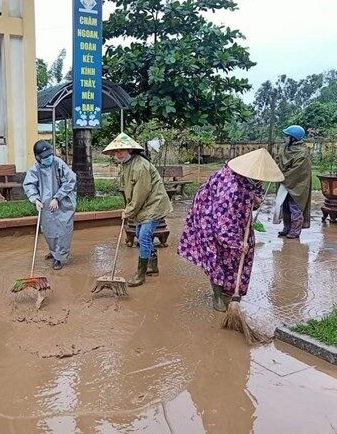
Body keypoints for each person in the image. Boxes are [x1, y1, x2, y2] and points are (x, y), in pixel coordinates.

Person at [178, 149, 284, 312]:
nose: (260, 179)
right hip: (209, 219)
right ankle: (217, 294)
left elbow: (255, 200)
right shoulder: (229, 185)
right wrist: (236, 243)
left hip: (237, 220)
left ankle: (231, 288)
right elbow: (222, 223)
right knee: (218, 255)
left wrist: (255, 201)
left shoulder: (253, 179)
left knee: (243, 252)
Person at [102, 133, 173, 287]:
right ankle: (152, 266)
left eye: (122, 150)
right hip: (145, 206)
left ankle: (140, 275)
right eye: (116, 151)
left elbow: (140, 193)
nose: (118, 153)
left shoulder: (140, 166)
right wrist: (129, 209)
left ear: (130, 150)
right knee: (143, 236)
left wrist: (128, 212)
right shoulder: (127, 164)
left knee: (144, 236)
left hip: (154, 204)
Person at [23, 140, 77, 270]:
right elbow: (29, 184)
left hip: (64, 202)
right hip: (46, 205)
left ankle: (60, 257)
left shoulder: (59, 163)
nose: (48, 158)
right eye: (45, 157)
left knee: (64, 230)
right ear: (37, 157)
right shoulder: (35, 169)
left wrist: (57, 198)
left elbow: (71, 180)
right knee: (49, 230)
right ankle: (54, 251)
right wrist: (35, 199)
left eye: (50, 155)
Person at [276, 125, 312, 239]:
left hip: (296, 184)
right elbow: (278, 161)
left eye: (287, 136)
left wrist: (282, 176)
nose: (285, 138)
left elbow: (297, 171)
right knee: (284, 206)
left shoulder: (301, 152)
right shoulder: (285, 148)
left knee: (294, 206)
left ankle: (295, 231)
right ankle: (287, 228)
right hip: (284, 182)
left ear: (293, 138)